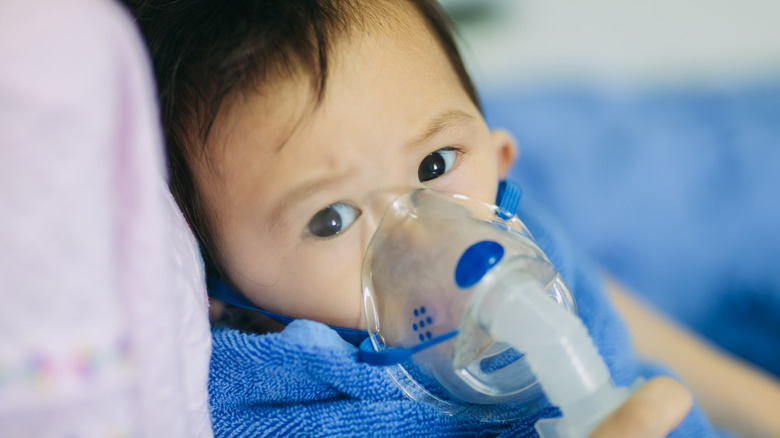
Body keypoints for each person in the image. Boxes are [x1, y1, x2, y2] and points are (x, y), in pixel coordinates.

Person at [122, 0, 778, 436]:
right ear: (220, 290)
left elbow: (615, 317)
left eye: (435, 165)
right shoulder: (282, 407)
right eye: (331, 220)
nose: (425, 234)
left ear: (500, 154)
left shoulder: (513, 228)